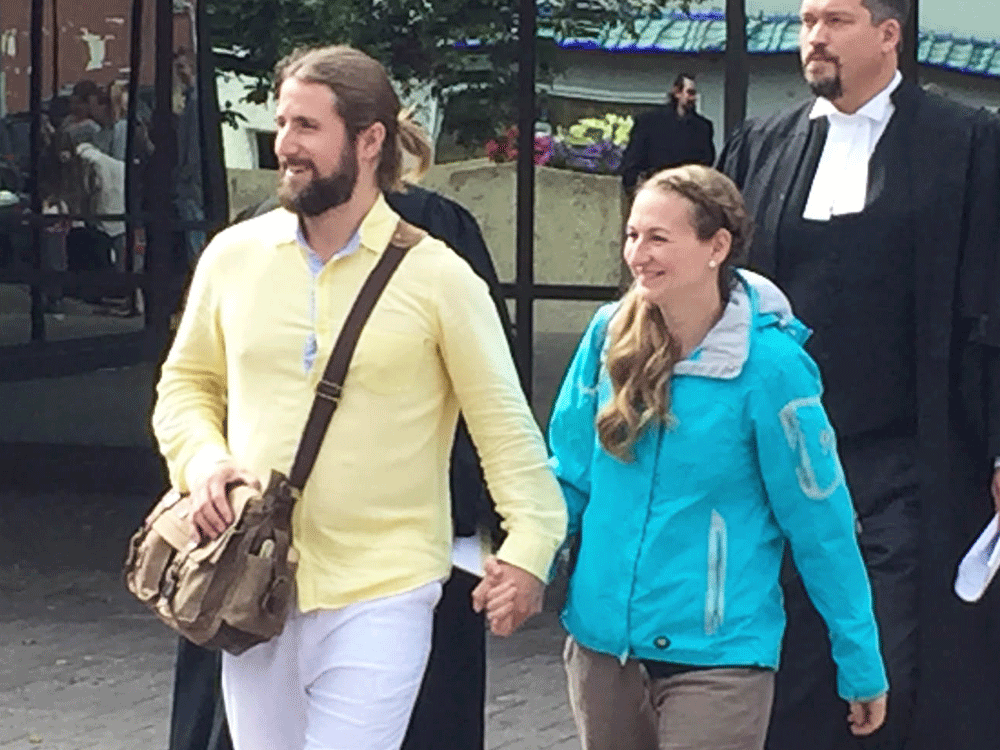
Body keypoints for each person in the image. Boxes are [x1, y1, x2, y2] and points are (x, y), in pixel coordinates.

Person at [151, 44, 566, 750]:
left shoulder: (440, 277)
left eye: (308, 127)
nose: (286, 145)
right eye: (283, 124)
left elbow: (505, 429)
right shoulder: (233, 256)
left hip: (385, 588)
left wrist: (529, 548)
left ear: (370, 140)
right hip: (253, 579)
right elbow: (186, 384)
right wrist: (201, 463)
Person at [516, 164, 887, 750]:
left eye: (659, 238)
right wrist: (529, 565)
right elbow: (568, 476)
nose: (638, 254)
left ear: (717, 246)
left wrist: (860, 659)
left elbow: (821, 523)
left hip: (721, 661)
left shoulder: (771, 366)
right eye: (633, 235)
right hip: (600, 649)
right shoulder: (606, 335)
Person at [717, 1, 1000, 748]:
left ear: (887, 35)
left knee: (887, 664)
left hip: (904, 459)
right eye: (808, 19)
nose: (814, 36)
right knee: (786, 661)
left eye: (836, 20)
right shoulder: (761, 146)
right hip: (778, 458)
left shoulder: (968, 144)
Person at [167, 184, 513, 750]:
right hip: (388, 540)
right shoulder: (253, 242)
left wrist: (213, 465)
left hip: (255, 548)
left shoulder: (424, 252)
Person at [619, 74, 715, 196]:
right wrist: (634, 188)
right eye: (690, 93)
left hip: (688, 192)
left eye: (694, 94)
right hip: (657, 190)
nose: (693, 98)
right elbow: (633, 159)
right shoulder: (650, 122)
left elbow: (707, 162)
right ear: (677, 93)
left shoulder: (703, 128)